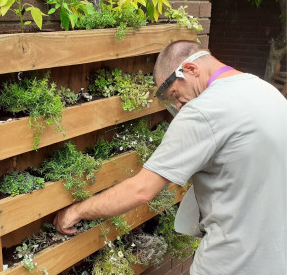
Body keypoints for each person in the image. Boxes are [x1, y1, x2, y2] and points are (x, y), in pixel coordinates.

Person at [53, 40, 287, 274]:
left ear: (191, 70)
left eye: (174, 93)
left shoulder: (203, 111)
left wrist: (75, 212)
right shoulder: (265, 91)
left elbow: (141, 190)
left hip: (232, 262)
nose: (178, 105)